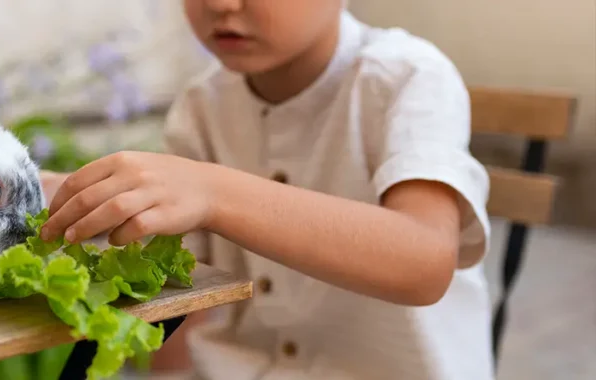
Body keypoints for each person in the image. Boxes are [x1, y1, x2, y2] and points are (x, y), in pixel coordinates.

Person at [39, 0, 495, 379]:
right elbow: (183, 282)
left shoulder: (406, 78)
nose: (220, 5)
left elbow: (425, 260)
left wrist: (214, 192)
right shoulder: (204, 104)